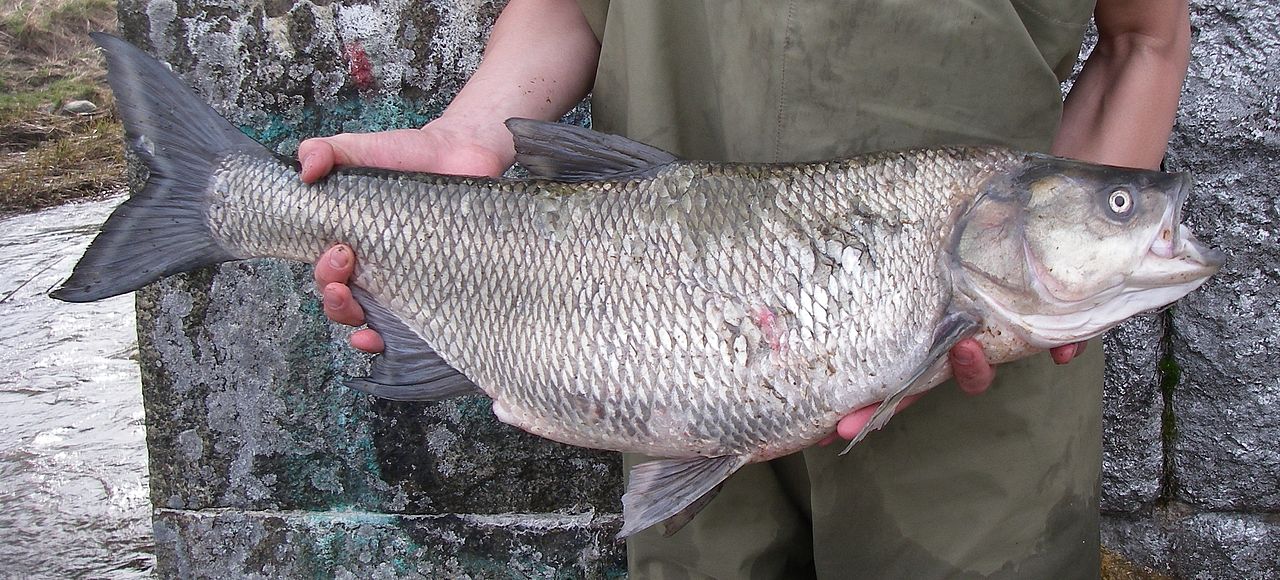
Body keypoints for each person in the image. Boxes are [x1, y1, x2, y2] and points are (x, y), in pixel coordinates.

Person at [301, 0, 1191, 576]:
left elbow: (1143, 38)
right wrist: (468, 133)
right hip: (662, 332)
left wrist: (1080, 259)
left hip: (981, 400)